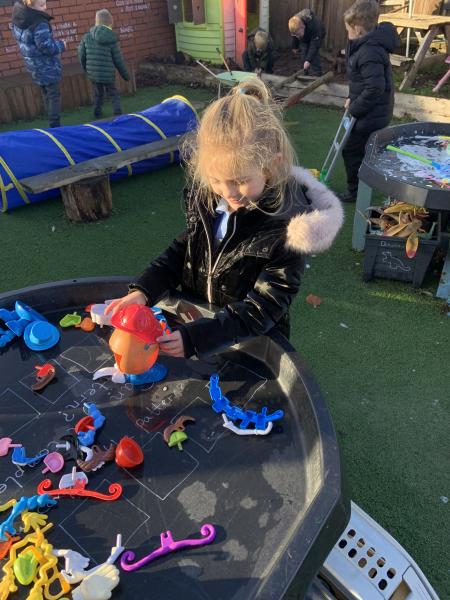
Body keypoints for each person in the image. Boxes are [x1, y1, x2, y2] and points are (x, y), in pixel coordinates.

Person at [104, 79, 343, 359]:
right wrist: (144, 290)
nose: (228, 192)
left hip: (251, 345)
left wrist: (201, 337)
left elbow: (264, 308)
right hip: (197, 322)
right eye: (216, 179)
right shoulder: (208, 200)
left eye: (240, 180)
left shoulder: (287, 228)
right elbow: (181, 253)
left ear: (271, 164)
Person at [339, 0, 400, 202]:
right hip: (374, 110)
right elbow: (362, 80)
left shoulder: (369, 51)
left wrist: (355, 108)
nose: (347, 34)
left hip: (371, 113)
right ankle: (368, 183)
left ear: (357, 29)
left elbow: (374, 88)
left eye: (348, 30)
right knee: (366, 149)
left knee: (351, 150)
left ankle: (355, 192)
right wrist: (352, 97)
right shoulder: (365, 45)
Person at [11, 0, 66, 128]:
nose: (45, 7)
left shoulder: (19, 16)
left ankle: (52, 123)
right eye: (41, 5)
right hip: (47, 65)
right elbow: (46, 47)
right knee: (53, 96)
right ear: (30, 5)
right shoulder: (39, 22)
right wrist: (61, 45)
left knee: (46, 94)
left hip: (33, 65)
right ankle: (55, 126)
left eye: (45, 3)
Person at [78, 9, 129, 119]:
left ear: (96, 21)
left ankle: (97, 113)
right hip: (108, 74)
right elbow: (118, 60)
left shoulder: (86, 37)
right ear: (110, 22)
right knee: (113, 93)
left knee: (98, 94)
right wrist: (126, 76)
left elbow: (81, 55)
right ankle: (117, 112)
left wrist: (86, 69)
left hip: (93, 73)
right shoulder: (112, 39)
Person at [288, 9, 325, 76]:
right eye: (296, 35)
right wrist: (295, 46)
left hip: (317, 35)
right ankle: (304, 73)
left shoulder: (315, 25)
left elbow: (314, 45)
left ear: (302, 27)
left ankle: (316, 73)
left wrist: (308, 60)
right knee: (304, 53)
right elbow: (294, 34)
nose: (297, 37)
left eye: (298, 34)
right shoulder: (294, 22)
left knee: (313, 55)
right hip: (306, 35)